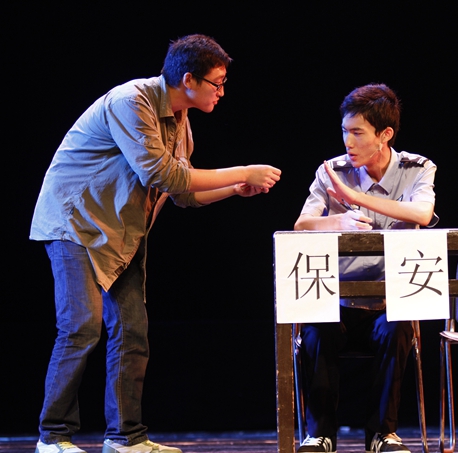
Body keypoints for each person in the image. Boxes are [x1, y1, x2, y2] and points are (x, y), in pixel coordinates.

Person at [29, 34, 281, 453]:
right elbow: (163, 175)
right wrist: (243, 170)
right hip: (76, 224)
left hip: (121, 234)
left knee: (133, 331)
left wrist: (235, 189)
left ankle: (125, 438)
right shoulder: (132, 101)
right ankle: (52, 436)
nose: (222, 92)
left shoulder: (181, 123)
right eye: (217, 83)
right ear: (188, 79)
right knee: (81, 326)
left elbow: (182, 194)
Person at [293, 84, 437, 453]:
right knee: (315, 329)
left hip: (388, 301)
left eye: (357, 132)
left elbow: (423, 214)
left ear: (385, 134)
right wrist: (336, 222)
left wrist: (356, 198)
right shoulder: (331, 171)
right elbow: (302, 225)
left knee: (399, 326)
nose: (348, 141)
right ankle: (320, 434)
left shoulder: (417, 168)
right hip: (338, 300)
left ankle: (382, 434)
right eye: (345, 131)